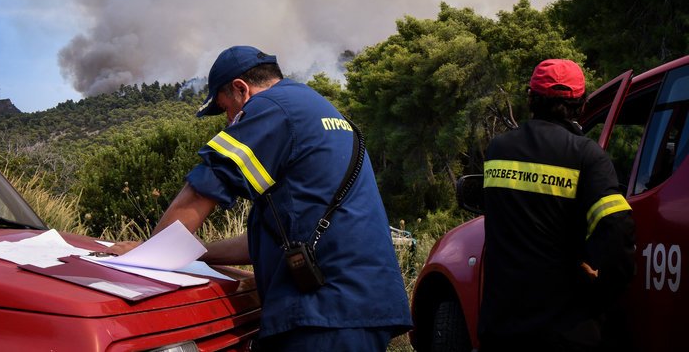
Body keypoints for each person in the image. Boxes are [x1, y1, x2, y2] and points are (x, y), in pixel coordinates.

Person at [112, 45, 411, 351]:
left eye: (227, 109)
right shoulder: (317, 110)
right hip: (359, 305)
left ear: (241, 89)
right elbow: (274, 238)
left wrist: (148, 257)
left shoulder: (271, 107)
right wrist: (192, 253)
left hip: (324, 313)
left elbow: (202, 190)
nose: (230, 121)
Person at [478, 59, 636, 351]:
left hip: (501, 327)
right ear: (582, 104)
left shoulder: (498, 150)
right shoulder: (586, 155)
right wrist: (603, 289)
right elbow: (616, 229)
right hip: (564, 331)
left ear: (530, 99)